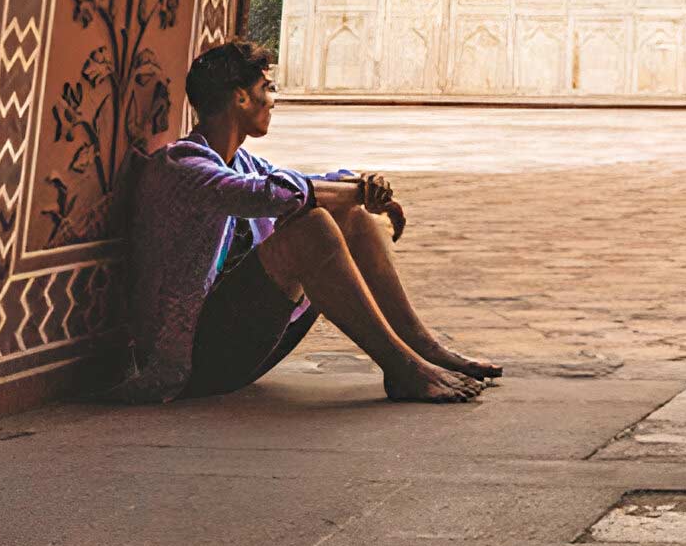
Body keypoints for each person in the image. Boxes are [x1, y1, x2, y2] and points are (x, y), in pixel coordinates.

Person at [113, 40, 494, 405]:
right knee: (311, 227)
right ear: (240, 97)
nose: (273, 100)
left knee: (352, 218)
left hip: (248, 345)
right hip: (193, 360)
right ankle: (403, 367)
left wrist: (360, 187)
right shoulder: (181, 165)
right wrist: (355, 190)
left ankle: (419, 347)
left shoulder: (243, 163)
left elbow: (301, 183)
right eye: (267, 88)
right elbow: (269, 196)